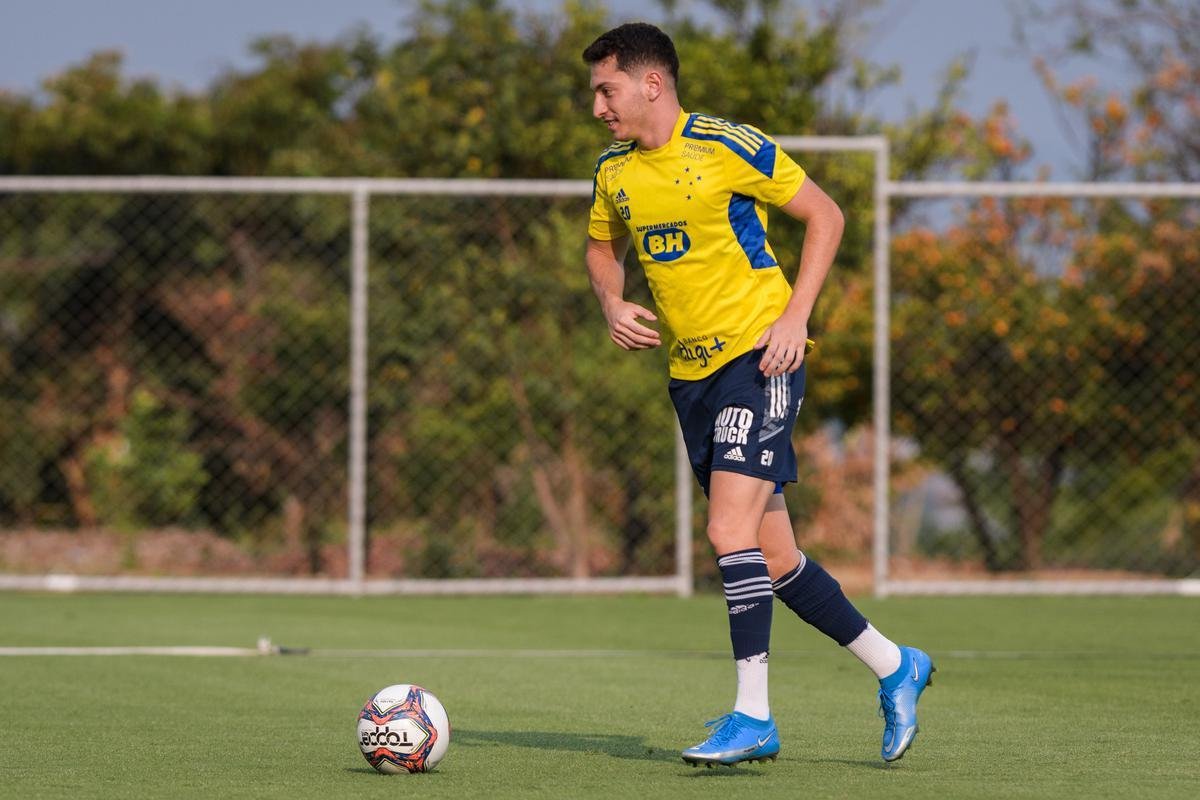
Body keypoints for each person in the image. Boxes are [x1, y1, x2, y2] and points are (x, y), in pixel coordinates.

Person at [581, 22, 934, 767]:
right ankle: (896, 666)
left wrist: (794, 317)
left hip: (760, 358)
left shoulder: (727, 144)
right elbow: (599, 246)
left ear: (651, 84)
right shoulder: (614, 172)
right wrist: (612, 303)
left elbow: (826, 216)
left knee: (725, 533)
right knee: (775, 559)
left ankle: (754, 717)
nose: (598, 109)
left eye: (606, 90)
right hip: (690, 378)